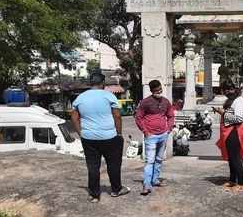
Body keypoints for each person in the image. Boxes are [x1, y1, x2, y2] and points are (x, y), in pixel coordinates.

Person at [71, 73, 129, 203]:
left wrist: (82, 134)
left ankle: (94, 195)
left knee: (93, 166)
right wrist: (119, 134)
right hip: (110, 137)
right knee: (113, 165)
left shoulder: (80, 98)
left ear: (90, 83)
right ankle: (116, 189)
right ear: (102, 83)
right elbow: (117, 116)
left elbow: (74, 117)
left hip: (89, 138)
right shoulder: (109, 95)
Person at [135, 80, 175, 196]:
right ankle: (147, 185)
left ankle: (155, 180)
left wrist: (169, 129)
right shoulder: (145, 102)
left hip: (163, 135)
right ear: (151, 90)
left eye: (160, 89)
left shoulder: (166, 102)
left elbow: (171, 116)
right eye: (156, 90)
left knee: (158, 159)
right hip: (151, 136)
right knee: (150, 161)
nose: (159, 91)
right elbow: (139, 118)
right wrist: (146, 132)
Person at [213, 79, 243, 192]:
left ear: (232, 89)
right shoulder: (231, 100)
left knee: (235, 159)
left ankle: (241, 183)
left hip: (233, 131)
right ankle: (232, 180)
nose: (226, 93)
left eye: (227, 90)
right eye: (224, 91)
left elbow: (238, 119)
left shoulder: (238, 101)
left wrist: (223, 113)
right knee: (230, 158)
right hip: (227, 131)